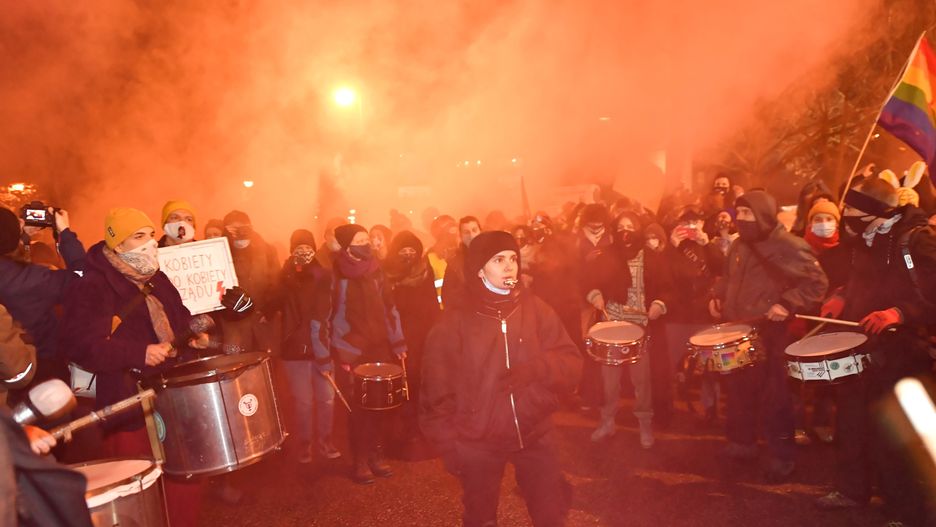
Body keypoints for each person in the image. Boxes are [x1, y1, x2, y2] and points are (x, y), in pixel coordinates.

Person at [58, 207, 213, 527]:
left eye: (151, 235)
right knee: (139, 484)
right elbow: (82, 345)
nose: (151, 244)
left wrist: (193, 338)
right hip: (128, 401)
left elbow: (179, 319)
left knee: (184, 476)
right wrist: (138, 353)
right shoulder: (93, 284)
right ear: (117, 245)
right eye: (138, 237)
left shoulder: (158, 277)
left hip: (173, 394)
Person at [420, 231, 581, 527]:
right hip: (478, 438)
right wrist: (449, 447)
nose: (509, 267)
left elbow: (572, 363)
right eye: (498, 260)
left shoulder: (536, 310)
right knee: (480, 518)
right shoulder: (455, 322)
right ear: (480, 270)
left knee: (550, 514)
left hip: (533, 431)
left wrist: (538, 368)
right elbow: (435, 391)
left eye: (513, 259)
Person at [815, 178, 936, 526]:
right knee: (852, 422)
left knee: (895, 434)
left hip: (903, 351)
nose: (845, 216)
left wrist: (899, 313)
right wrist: (841, 297)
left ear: (874, 212)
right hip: (861, 344)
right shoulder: (863, 240)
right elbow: (857, 281)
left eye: (852, 210)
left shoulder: (917, 241)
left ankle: (905, 510)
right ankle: (852, 490)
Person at [710, 190, 828, 482]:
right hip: (738, 329)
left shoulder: (789, 246)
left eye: (749, 214)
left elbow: (817, 284)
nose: (743, 220)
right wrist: (717, 296)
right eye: (740, 214)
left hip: (772, 333)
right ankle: (742, 442)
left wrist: (787, 304)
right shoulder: (738, 245)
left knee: (776, 396)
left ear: (763, 215)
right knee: (738, 389)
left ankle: (781, 458)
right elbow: (728, 277)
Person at [329, 224, 408, 484]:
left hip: (380, 346)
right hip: (354, 350)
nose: (366, 244)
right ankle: (360, 460)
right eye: (359, 240)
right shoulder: (337, 275)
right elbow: (334, 316)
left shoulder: (376, 271)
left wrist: (398, 342)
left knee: (380, 405)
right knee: (360, 408)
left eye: (366, 239)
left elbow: (390, 308)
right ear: (346, 246)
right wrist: (344, 353)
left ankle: (376, 455)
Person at [587, 211, 667, 447]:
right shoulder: (607, 256)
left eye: (630, 226)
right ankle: (607, 421)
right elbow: (589, 280)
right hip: (612, 323)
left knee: (641, 381)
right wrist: (596, 295)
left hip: (640, 326)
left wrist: (658, 304)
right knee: (609, 379)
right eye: (620, 226)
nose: (625, 231)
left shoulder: (652, 257)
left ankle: (644, 424)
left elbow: (667, 287)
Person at [273, 229, 339, 463]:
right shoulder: (284, 276)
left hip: (321, 347)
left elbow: (327, 312)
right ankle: (304, 443)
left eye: (307, 248)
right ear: (292, 252)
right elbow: (274, 301)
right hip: (294, 349)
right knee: (302, 401)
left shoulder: (324, 275)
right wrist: (289, 271)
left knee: (327, 398)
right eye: (298, 249)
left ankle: (325, 440)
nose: (303, 253)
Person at [0, 207, 84, 389]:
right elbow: (82, 279)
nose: (22, 223)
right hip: (40, 370)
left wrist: (19, 237)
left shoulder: (16, 277)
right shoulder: (32, 280)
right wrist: (65, 233)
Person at [383, 230, 441, 459]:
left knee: (423, 386)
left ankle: (422, 432)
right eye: (402, 251)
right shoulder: (387, 275)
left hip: (424, 338)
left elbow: (432, 307)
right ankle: (403, 435)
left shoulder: (424, 272)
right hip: (398, 341)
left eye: (412, 251)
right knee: (403, 388)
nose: (408, 255)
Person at [221, 210, 279, 354]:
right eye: (233, 229)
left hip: (263, 326)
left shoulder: (267, 251)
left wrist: (268, 311)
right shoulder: (219, 254)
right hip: (234, 328)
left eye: (243, 228)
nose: (239, 233)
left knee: (268, 368)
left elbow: (277, 282)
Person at [440, 216, 482, 310]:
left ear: (481, 231)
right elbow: (447, 297)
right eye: (466, 232)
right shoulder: (454, 263)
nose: (471, 235)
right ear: (461, 236)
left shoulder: (493, 256)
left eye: (474, 230)